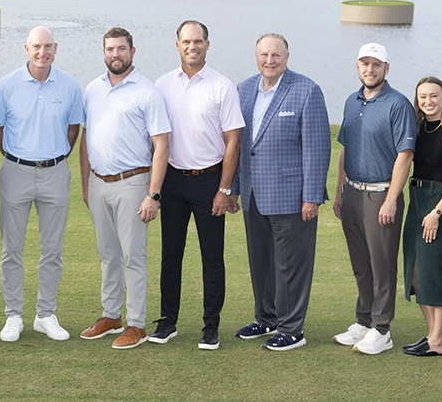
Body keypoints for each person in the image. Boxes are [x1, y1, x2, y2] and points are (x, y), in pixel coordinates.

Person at [232, 34, 330, 352]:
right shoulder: (244, 89)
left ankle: (292, 329)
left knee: (290, 264)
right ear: (256, 56)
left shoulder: (306, 90)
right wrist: (232, 188)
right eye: (264, 54)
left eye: (276, 54)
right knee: (261, 261)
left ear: (287, 56)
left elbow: (318, 147)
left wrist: (312, 196)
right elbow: (236, 144)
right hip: (252, 193)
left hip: (291, 195)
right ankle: (266, 318)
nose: (269, 60)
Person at [151, 20, 244, 351]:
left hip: (209, 181)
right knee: (170, 255)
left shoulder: (222, 86)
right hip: (174, 180)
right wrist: (156, 188)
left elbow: (233, 141)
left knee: (212, 257)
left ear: (207, 45)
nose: (192, 46)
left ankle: (211, 326)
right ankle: (167, 321)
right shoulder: (161, 85)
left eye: (198, 41)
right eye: (186, 41)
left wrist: (224, 189)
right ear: (177, 45)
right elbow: (156, 140)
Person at [77, 27, 171, 350]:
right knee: (108, 254)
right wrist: (86, 183)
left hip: (133, 183)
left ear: (132, 51)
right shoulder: (92, 89)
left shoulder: (147, 91)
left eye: (121, 49)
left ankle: (136, 324)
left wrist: (153, 194)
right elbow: (87, 140)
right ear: (103, 53)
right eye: (109, 49)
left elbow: (162, 146)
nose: (115, 54)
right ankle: (110, 315)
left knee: (133, 255)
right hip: (99, 183)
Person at [0, 27, 84, 343]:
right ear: (26, 48)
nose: (41, 52)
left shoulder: (70, 86)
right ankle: (13, 315)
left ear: (55, 49)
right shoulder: (6, 86)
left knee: (52, 249)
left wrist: (51, 155)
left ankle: (45, 314)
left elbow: (73, 131)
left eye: (47, 47)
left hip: (55, 172)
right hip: (15, 170)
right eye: (36, 46)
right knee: (11, 249)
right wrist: (23, 157)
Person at [332, 42, 416, 355]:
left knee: (381, 267)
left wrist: (392, 199)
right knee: (361, 265)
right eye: (365, 64)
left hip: (381, 194)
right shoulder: (351, 102)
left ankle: (382, 329)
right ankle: (364, 321)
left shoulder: (398, 104)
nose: (370, 69)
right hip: (353, 192)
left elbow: (405, 155)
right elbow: (345, 147)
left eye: (376, 64)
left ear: (386, 68)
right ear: (357, 67)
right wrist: (341, 190)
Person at [401, 77, 442, 357]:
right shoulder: (417, 128)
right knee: (417, 272)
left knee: (436, 273)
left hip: (440, 203)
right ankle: (432, 335)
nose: (428, 101)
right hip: (416, 200)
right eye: (422, 97)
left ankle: (438, 341)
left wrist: (436, 213)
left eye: (433, 96)